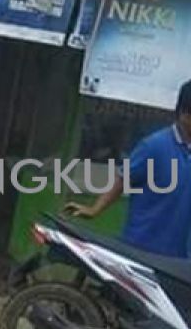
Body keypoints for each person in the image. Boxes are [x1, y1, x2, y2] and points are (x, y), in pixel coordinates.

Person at [66, 80, 191, 259]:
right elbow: (123, 180)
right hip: (141, 248)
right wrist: (95, 210)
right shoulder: (154, 146)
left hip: (177, 257)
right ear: (185, 114)